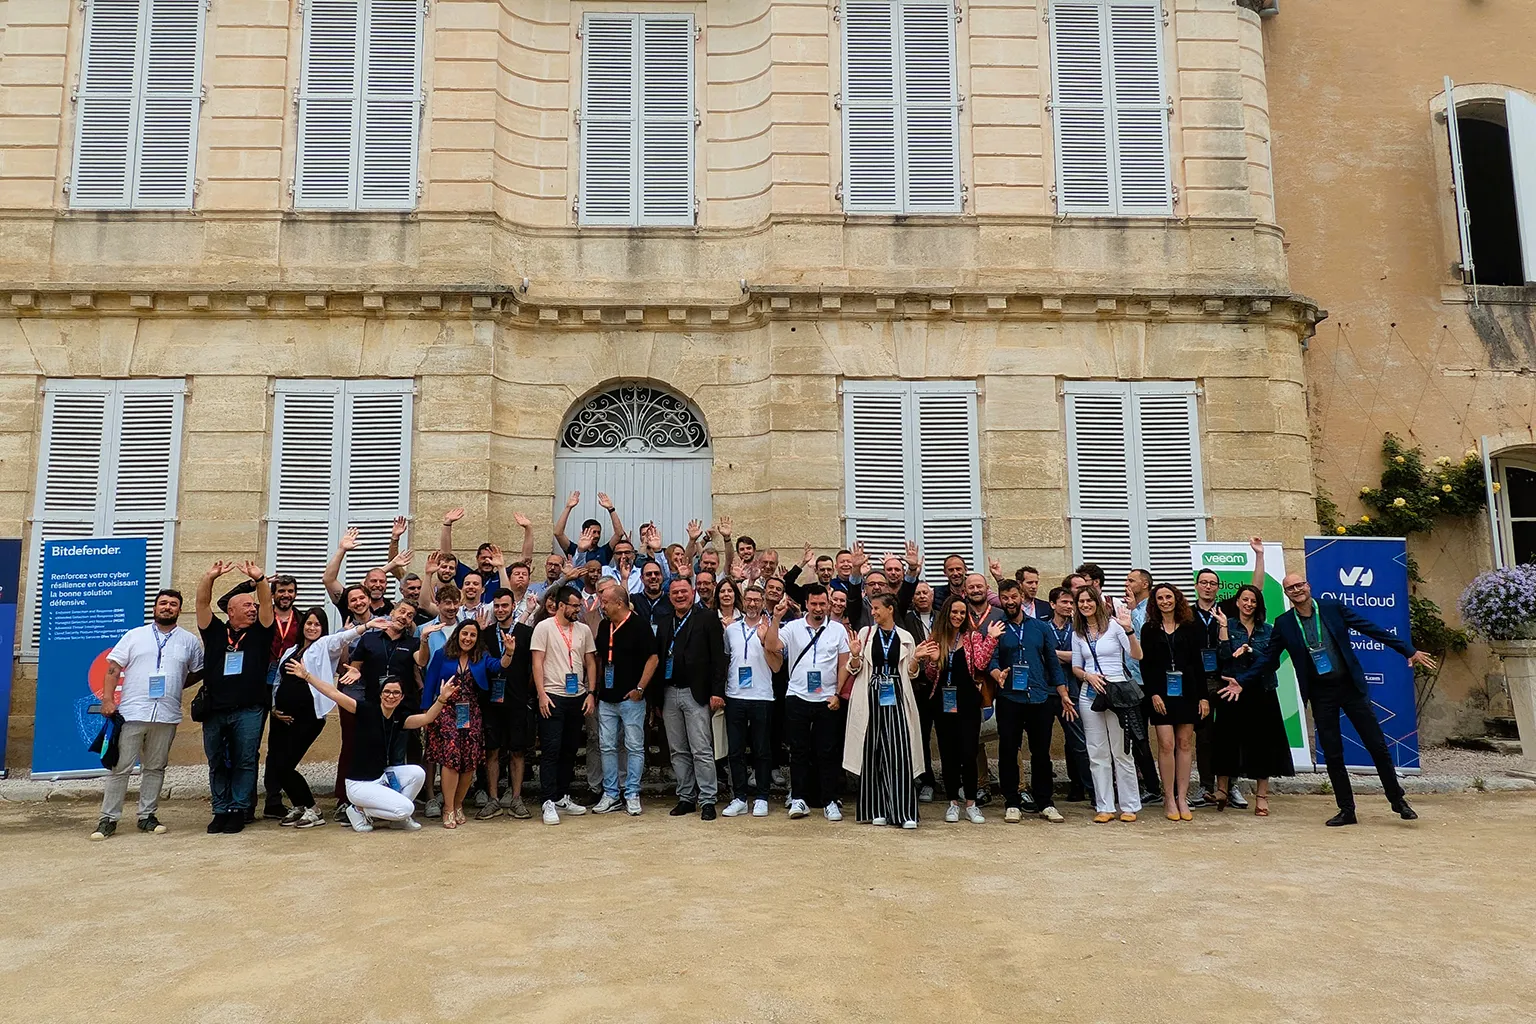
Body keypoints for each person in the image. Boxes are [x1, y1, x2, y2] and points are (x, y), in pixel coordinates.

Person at [1234, 556, 1435, 826]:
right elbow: (1268, 659)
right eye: (1291, 588)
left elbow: (1370, 628)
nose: (1297, 590)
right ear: (1286, 594)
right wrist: (1242, 680)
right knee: (1333, 752)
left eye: (1300, 585)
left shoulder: (1332, 609)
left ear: (1308, 586)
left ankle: (1397, 800)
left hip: (1349, 687)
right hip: (1320, 694)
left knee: (1376, 745)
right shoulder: (1284, 624)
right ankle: (1347, 809)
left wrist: (1407, 650)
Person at [90, 590, 204, 840]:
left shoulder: (189, 641)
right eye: (163, 603)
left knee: (155, 767)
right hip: (132, 712)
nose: (168, 607)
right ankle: (108, 819)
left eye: (173, 604)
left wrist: (176, 684)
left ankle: (147, 816)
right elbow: (113, 668)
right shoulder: (134, 636)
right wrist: (108, 700)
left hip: (166, 714)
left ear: (179, 610)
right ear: (154, 608)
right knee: (120, 768)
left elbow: (197, 671)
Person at [305, 670, 453, 832]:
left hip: (382, 777)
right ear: (381, 694)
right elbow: (334, 693)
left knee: (417, 773)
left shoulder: (399, 718)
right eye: (387, 692)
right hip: (359, 785)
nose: (391, 696)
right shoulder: (365, 710)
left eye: (396, 692)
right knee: (407, 808)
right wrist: (307, 676)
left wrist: (442, 699)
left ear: (402, 697)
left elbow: (427, 719)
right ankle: (359, 810)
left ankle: (397, 819)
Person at [1212, 539, 1295, 817]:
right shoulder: (1227, 622)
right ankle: (1222, 790)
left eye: (1252, 601)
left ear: (1258, 605)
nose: (1248, 603)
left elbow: (1270, 661)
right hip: (1231, 690)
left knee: (1263, 745)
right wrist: (1225, 632)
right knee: (1226, 741)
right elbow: (1223, 657)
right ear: (1236, 603)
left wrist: (1250, 649)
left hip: (1260, 691)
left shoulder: (1268, 629)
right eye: (1244, 600)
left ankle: (1262, 796)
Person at [195, 561, 276, 834]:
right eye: (246, 606)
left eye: (253, 606)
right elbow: (202, 605)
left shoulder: (261, 633)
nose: (253, 609)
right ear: (231, 610)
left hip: (249, 709)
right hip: (215, 708)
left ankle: (239, 809)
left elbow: (267, 605)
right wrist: (209, 577)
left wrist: (260, 579)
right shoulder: (215, 631)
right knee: (216, 760)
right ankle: (220, 809)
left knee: (244, 760)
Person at [988, 579, 1071, 824]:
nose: (1010, 602)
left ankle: (1045, 801)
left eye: (1014, 596)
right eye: (1005, 598)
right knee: (1007, 750)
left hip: (1039, 697)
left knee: (1041, 753)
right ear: (1001, 600)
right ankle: (1012, 802)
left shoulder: (1040, 628)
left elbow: (1053, 663)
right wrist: (997, 674)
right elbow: (991, 660)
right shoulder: (997, 628)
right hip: (1009, 698)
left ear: (1022, 597)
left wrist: (1063, 693)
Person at [916, 594, 1002, 824]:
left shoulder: (973, 637)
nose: (958, 616)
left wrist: (991, 639)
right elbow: (931, 675)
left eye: (962, 613)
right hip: (942, 704)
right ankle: (953, 802)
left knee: (968, 753)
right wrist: (934, 660)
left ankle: (971, 804)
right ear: (947, 613)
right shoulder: (937, 637)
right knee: (948, 754)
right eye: (954, 612)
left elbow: (981, 665)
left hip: (968, 703)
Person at [421, 620, 515, 828]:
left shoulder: (481, 657)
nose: (468, 638)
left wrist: (508, 653)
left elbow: (499, 666)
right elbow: (430, 683)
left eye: (472, 635)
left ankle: (458, 804)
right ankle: (447, 808)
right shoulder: (442, 655)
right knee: (451, 759)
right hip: (445, 711)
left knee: (469, 762)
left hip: (471, 714)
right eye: (464, 634)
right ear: (457, 634)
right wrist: (426, 712)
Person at [843, 594, 923, 828]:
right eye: (872, 608)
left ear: (890, 609)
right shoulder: (865, 635)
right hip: (871, 695)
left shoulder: (905, 637)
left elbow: (911, 672)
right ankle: (875, 809)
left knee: (900, 751)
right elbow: (853, 668)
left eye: (877, 608)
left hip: (897, 694)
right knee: (872, 751)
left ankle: (904, 812)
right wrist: (856, 655)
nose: (874, 612)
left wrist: (916, 659)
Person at [1071, 586, 1145, 824]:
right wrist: (1087, 676)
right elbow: (1075, 666)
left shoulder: (1114, 626)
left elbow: (1137, 655)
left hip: (1117, 693)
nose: (1085, 605)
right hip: (1090, 694)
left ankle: (1130, 805)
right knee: (1096, 751)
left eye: (1088, 600)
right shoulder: (1078, 633)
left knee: (1122, 750)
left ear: (1098, 602)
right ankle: (1104, 805)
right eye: (1080, 601)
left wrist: (1129, 630)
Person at [655, 577, 728, 819]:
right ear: (669, 596)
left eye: (683, 591)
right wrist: (657, 699)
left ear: (693, 592)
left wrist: (717, 691)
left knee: (701, 749)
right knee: (678, 750)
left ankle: (708, 799)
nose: (679, 596)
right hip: (669, 693)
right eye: (674, 592)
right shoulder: (665, 622)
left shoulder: (707, 618)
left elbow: (719, 658)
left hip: (697, 693)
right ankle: (686, 797)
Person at [1138, 583, 1211, 822]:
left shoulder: (1190, 627)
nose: (1165, 601)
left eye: (1169, 597)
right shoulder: (1149, 629)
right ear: (1155, 602)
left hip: (1188, 692)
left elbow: (1198, 664)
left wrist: (1203, 696)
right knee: (1166, 744)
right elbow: (1145, 665)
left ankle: (1182, 797)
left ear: (1176, 599)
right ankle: (1168, 797)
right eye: (1160, 598)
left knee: (1184, 743)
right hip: (1160, 695)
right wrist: (1153, 694)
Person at [780, 584, 852, 820]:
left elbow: (843, 664)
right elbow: (772, 646)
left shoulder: (838, 630)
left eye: (823, 604)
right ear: (806, 604)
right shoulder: (792, 627)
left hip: (827, 699)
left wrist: (837, 693)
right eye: (814, 604)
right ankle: (799, 799)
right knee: (798, 750)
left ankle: (829, 800)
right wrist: (774, 620)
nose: (818, 608)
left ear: (829, 604)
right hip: (797, 696)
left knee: (827, 752)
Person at [531, 585, 598, 824]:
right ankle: (548, 800)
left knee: (570, 749)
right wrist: (541, 694)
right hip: (552, 696)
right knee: (551, 749)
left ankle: (561, 796)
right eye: (574, 606)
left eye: (579, 606)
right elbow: (537, 662)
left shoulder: (583, 630)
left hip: (577, 696)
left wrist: (590, 692)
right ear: (561, 605)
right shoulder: (544, 627)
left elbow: (590, 662)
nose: (578, 610)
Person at [592, 581, 658, 815]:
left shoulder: (639, 625)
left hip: (632, 699)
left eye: (606, 601)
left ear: (619, 603)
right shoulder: (603, 626)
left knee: (634, 746)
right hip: (607, 698)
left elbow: (653, 658)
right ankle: (611, 794)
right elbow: (600, 657)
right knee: (607, 746)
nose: (602, 605)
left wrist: (640, 688)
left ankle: (632, 792)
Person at [268, 608, 335, 829]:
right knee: (277, 765)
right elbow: (278, 680)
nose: (312, 628)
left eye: (317, 625)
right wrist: (274, 707)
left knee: (286, 765)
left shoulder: (322, 648)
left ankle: (313, 809)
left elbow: (342, 638)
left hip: (308, 719)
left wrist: (364, 628)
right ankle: (299, 805)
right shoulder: (290, 650)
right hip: (281, 718)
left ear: (323, 629)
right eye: (309, 623)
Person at [722, 583, 784, 817]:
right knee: (736, 750)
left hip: (762, 696)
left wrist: (764, 642)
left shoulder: (770, 630)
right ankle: (739, 797)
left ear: (762, 602)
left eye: (757, 600)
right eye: (749, 599)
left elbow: (777, 667)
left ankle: (762, 797)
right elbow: (726, 661)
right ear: (743, 601)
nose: (752, 603)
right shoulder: (731, 630)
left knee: (762, 749)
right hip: (735, 695)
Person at [1189, 567, 1243, 809]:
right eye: (1204, 582)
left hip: (1226, 679)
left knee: (1230, 734)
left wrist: (1260, 556)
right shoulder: (1187, 614)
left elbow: (1258, 587)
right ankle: (1205, 786)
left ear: (1218, 587)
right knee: (1204, 736)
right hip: (1200, 680)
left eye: (1213, 583)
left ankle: (1231, 786)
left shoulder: (1227, 610)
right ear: (1197, 585)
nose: (1208, 586)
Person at [1045, 586, 1094, 804]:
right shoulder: (1042, 628)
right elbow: (1039, 655)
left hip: (1073, 690)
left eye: (1071, 603)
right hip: (1047, 691)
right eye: (1064, 602)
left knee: (1079, 743)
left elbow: (1082, 657)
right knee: (1042, 744)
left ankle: (1091, 790)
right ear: (1052, 604)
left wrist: (1054, 654)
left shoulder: (1079, 629)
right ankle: (1044, 793)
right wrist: (1068, 657)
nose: (1068, 606)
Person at [554, 490, 626, 567]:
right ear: (584, 532)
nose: (597, 535)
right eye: (594, 532)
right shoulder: (574, 549)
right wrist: (568, 508)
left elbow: (619, 534)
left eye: (599, 532)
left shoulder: (604, 551)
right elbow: (558, 533)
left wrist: (611, 509)